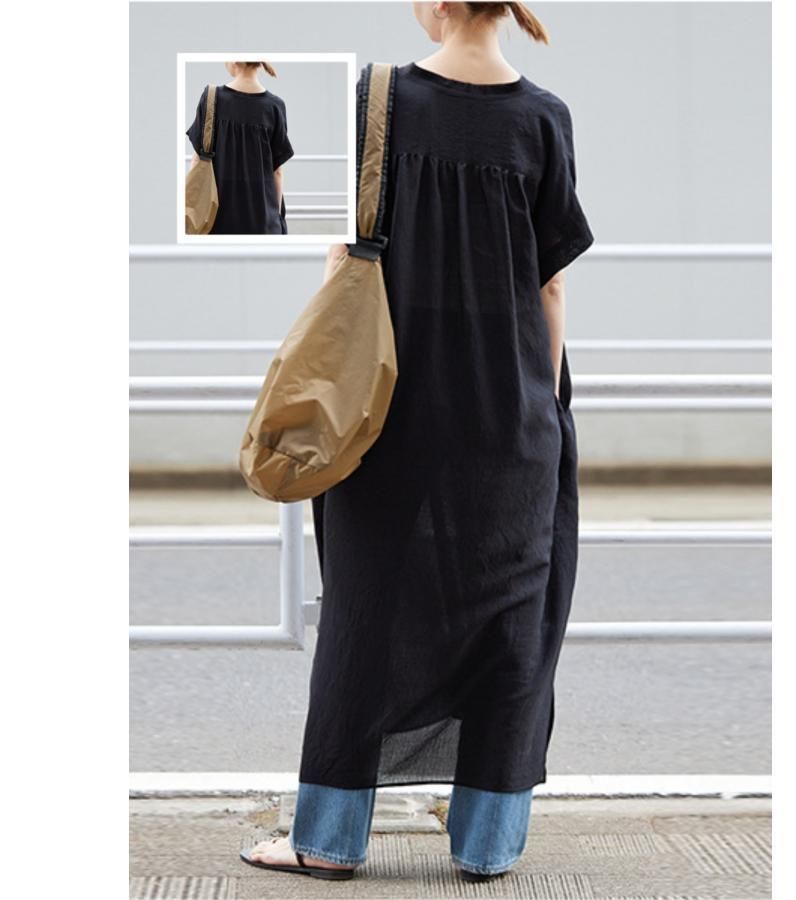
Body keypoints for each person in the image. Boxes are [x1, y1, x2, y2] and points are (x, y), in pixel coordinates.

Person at [242, 0, 594, 883]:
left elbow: (349, 255)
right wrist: (545, 404)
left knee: (365, 610)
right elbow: (549, 286)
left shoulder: (380, 97)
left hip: (385, 403)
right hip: (508, 405)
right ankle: (487, 843)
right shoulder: (544, 118)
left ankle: (328, 840)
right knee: (511, 614)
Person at [186, 61, 294, 235]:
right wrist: (277, 217)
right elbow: (277, 172)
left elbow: (198, 158)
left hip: (215, 218)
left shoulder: (212, 98)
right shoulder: (275, 106)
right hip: (262, 221)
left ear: (234, 60)